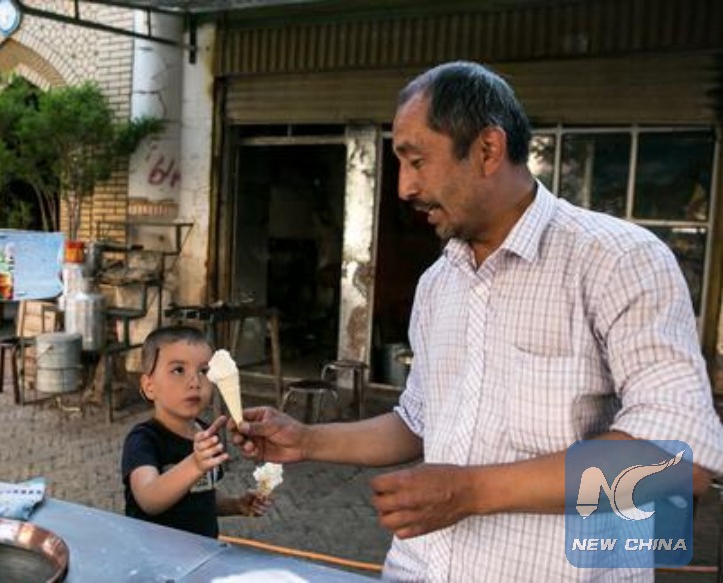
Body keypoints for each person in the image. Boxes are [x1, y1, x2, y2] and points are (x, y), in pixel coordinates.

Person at [231, 61, 723, 581]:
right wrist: (307, 440)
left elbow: (678, 465)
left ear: (488, 149)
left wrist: (469, 491)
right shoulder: (439, 283)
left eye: (417, 161)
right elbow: (419, 422)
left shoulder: (617, 261)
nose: (404, 188)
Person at [121, 325, 271, 538]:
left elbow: (201, 496)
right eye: (178, 370)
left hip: (202, 551)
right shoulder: (144, 439)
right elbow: (148, 499)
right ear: (149, 386)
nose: (195, 382)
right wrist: (195, 464)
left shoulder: (207, 434)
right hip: (153, 553)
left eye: (204, 371)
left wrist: (235, 505)